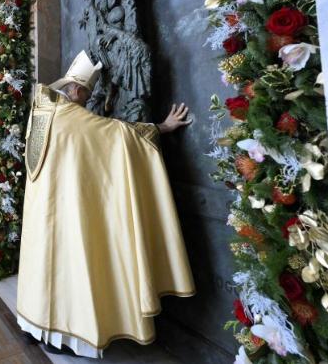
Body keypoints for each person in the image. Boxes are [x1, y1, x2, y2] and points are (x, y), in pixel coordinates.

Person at [16, 51, 195, 358]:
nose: (87, 100)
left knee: (44, 268)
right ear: (74, 90)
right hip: (64, 210)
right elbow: (116, 135)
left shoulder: (43, 109)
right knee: (69, 269)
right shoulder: (71, 117)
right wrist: (162, 127)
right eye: (86, 93)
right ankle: (65, 336)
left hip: (44, 209)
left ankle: (35, 327)